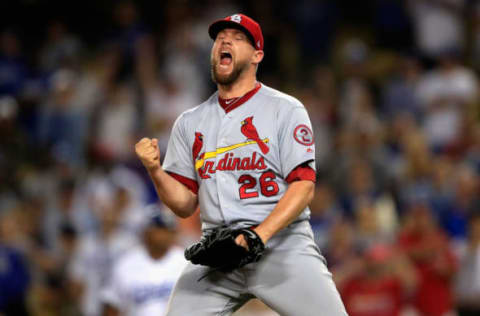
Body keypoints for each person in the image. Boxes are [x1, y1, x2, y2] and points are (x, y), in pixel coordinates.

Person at [135, 13, 347, 315]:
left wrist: (258, 235)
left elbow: (304, 187)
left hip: (281, 245)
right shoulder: (189, 122)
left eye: (237, 38)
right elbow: (183, 205)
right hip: (217, 250)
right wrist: (155, 170)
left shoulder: (284, 109)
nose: (224, 40)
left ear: (257, 55)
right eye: (220, 38)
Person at [101, 205, 187, 316]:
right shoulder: (126, 264)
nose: (165, 235)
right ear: (146, 232)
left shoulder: (185, 262)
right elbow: (112, 305)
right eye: (160, 228)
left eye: (168, 230)